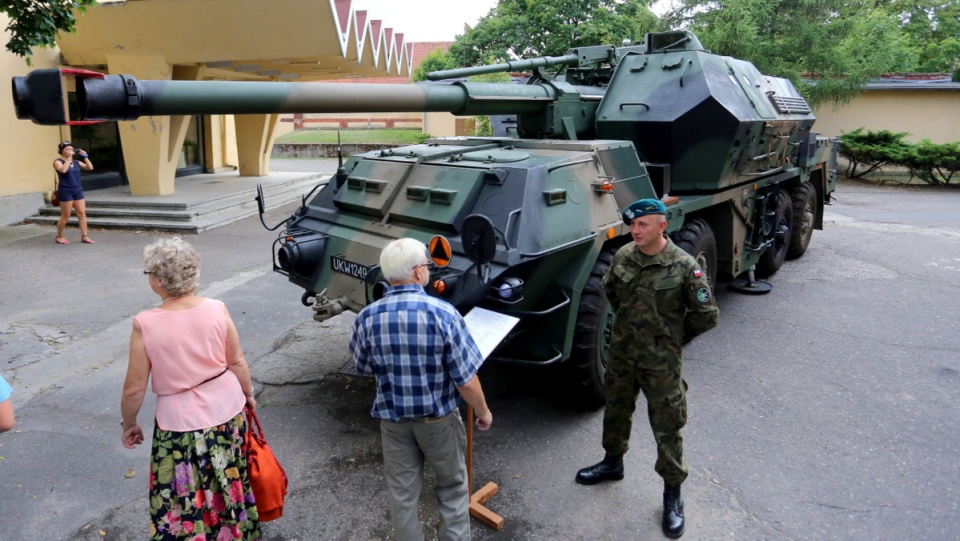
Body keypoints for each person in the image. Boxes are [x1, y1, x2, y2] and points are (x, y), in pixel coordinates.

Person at [575, 199, 719, 539]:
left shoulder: (684, 267)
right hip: (623, 355)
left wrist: (671, 338)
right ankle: (613, 462)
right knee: (616, 411)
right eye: (633, 225)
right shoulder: (625, 255)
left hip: (661, 364)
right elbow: (610, 289)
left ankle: (672, 494)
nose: (635, 231)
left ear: (661, 227)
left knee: (667, 426)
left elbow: (707, 316)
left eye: (643, 225)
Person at [349, 238, 493, 541]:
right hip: (437, 421)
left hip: (393, 422)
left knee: (402, 497)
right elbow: (465, 380)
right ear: (417, 272)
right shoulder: (444, 314)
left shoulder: (367, 317)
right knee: (453, 490)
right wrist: (483, 411)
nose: (428, 271)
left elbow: (361, 367)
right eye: (427, 266)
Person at [121, 236, 261, 540]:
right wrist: (248, 394)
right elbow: (235, 361)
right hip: (226, 411)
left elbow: (134, 388)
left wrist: (130, 424)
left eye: (149, 273)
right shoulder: (216, 308)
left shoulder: (145, 324)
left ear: (159, 280)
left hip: (179, 425)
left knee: (184, 492)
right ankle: (233, 531)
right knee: (227, 478)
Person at [52, 141, 95, 244]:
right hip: (65, 190)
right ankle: (59, 236)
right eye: (67, 149)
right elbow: (63, 170)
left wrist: (85, 156)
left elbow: (90, 167)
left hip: (77, 189)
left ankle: (84, 236)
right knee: (66, 215)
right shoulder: (58, 161)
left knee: (82, 213)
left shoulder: (76, 162)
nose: (70, 151)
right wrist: (68, 159)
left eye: (71, 149)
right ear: (62, 151)